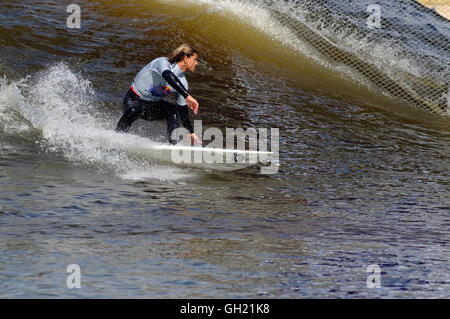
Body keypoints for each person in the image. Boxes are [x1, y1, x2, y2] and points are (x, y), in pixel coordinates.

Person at [116, 44, 201, 145]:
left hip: (152, 107)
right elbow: (168, 75)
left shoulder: (183, 83)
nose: (197, 63)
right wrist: (187, 95)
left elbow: (183, 110)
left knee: (173, 110)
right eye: (195, 59)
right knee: (133, 110)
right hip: (134, 100)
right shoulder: (162, 62)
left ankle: (173, 145)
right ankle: (117, 137)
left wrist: (190, 132)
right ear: (186, 58)